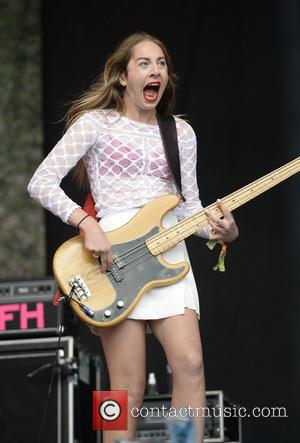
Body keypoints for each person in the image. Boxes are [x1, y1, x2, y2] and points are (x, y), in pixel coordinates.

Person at [28, 31, 239, 443]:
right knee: (127, 388)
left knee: (191, 364)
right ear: (123, 76)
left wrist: (219, 231)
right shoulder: (96, 124)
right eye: (144, 63)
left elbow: (189, 208)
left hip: (168, 252)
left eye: (161, 63)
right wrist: (86, 223)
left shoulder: (180, 133)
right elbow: (41, 182)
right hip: (115, 257)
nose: (155, 71)